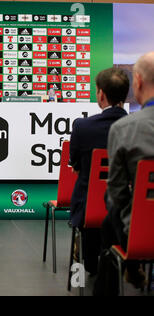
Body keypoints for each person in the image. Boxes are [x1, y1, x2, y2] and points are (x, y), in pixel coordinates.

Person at [94, 52, 154, 295]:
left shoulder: (125, 128)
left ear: (137, 81)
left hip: (143, 231)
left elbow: (117, 194)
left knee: (112, 214)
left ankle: (122, 272)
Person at [69, 67, 129, 275]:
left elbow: (75, 167)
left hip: (89, 210)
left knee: (86, 190)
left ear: (101, 94)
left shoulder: (82, 127)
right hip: (130, 212)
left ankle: (91, 265)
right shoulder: (139, 128)